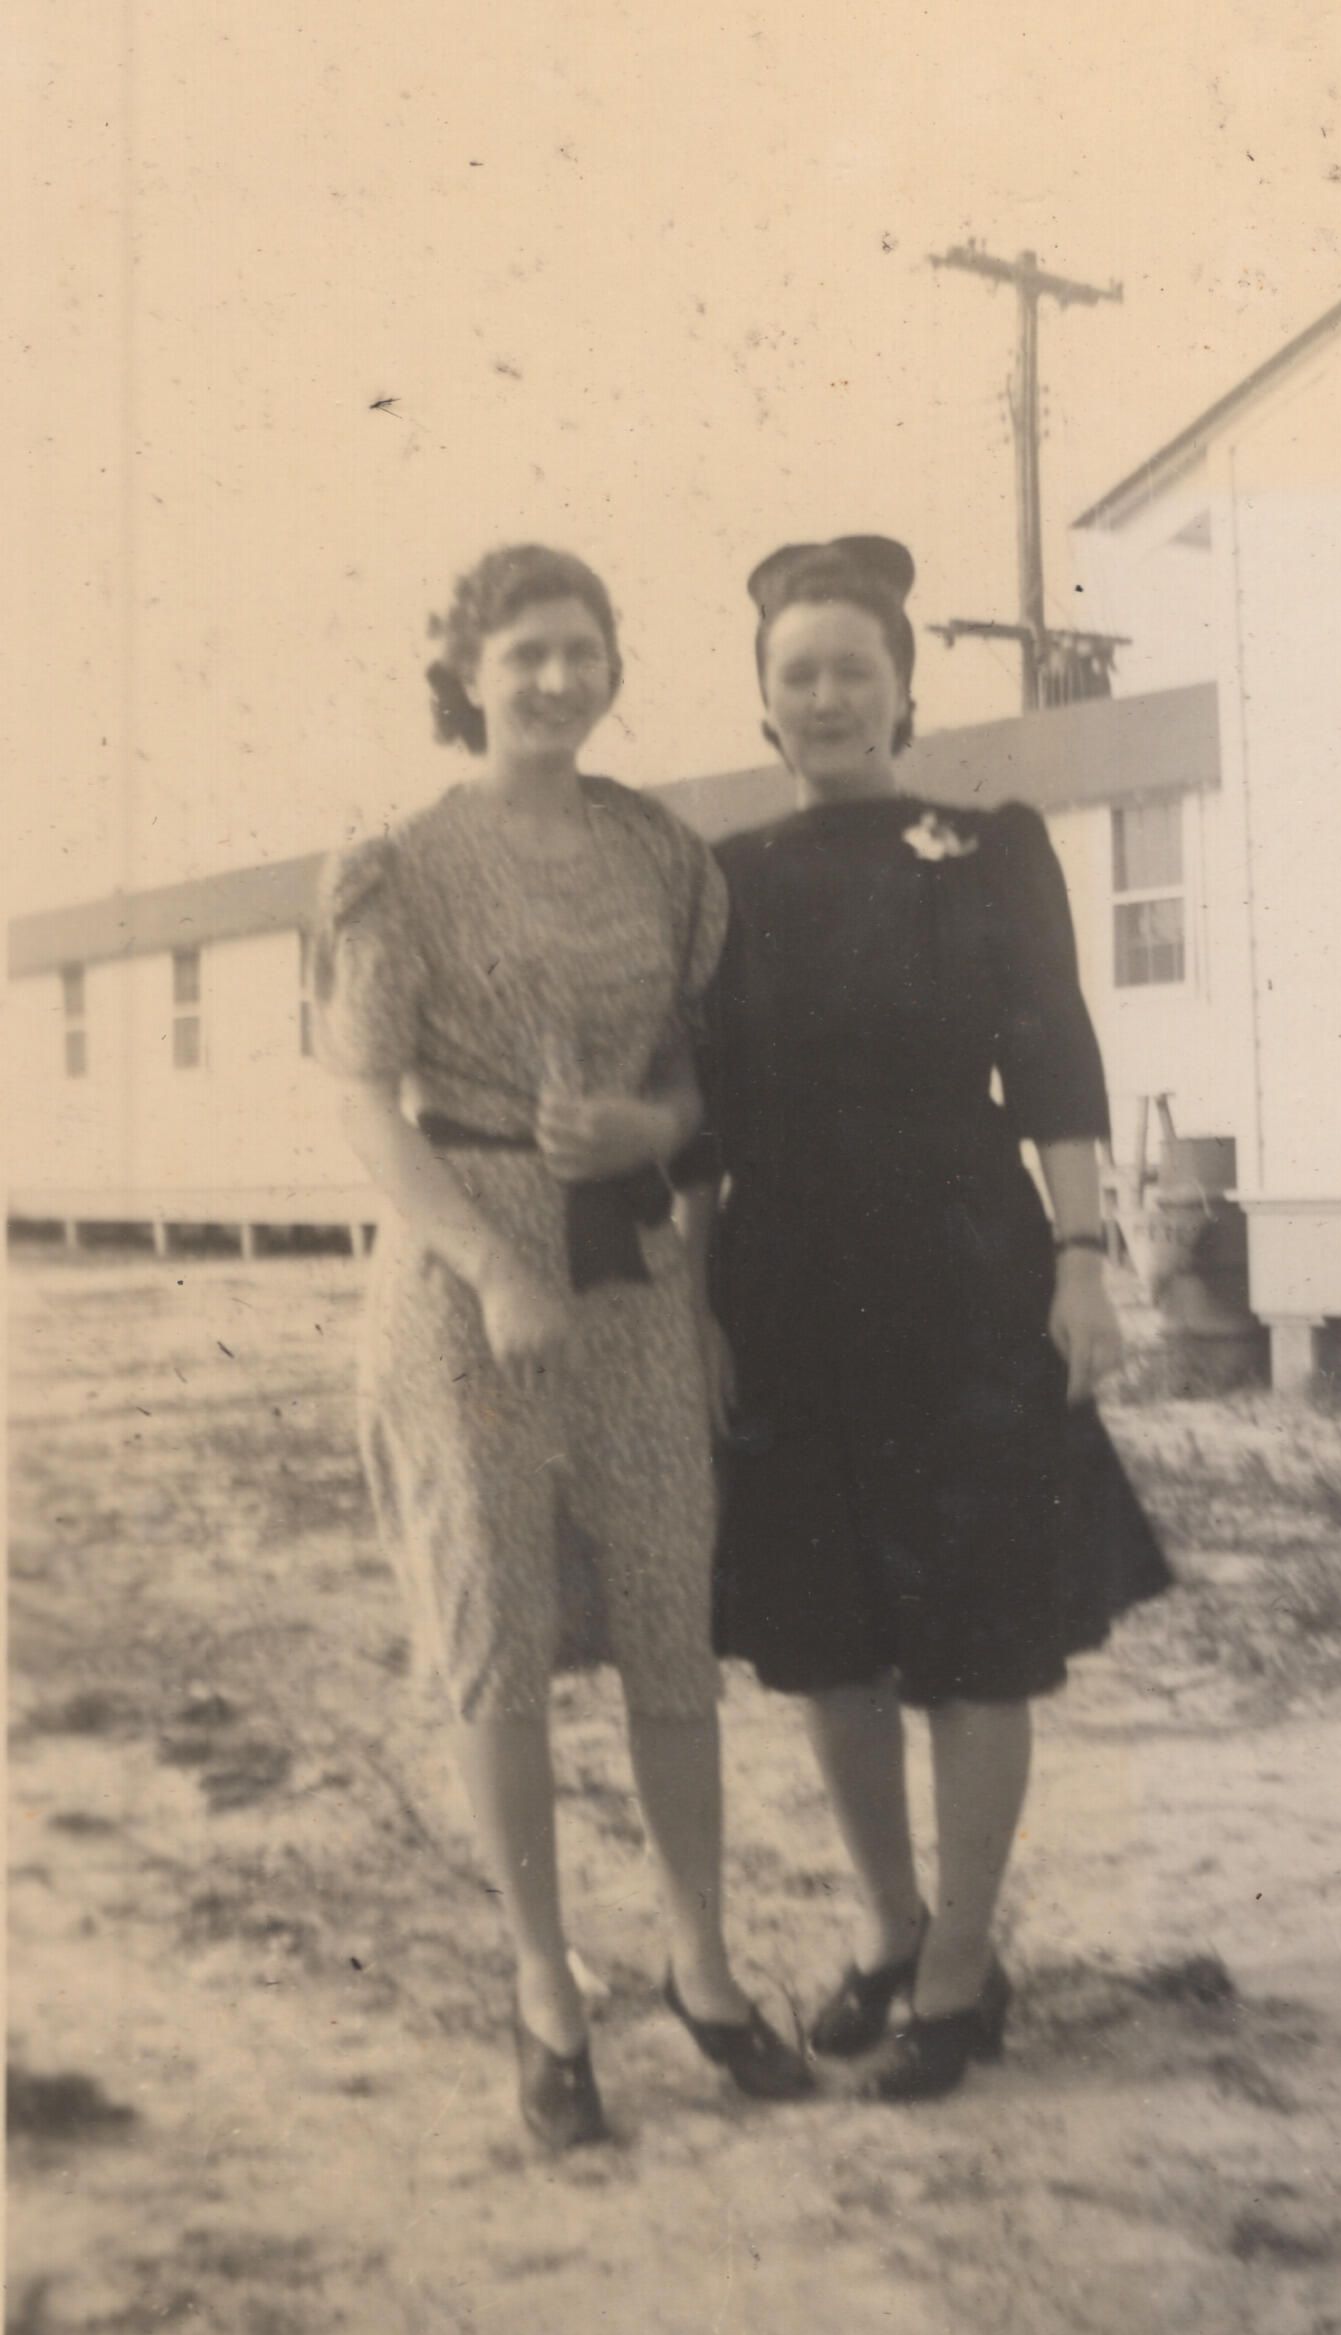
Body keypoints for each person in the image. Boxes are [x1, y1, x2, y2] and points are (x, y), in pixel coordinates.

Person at [312, 544, 812, 2156]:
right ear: (465, 674)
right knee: (498, 1628)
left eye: (580, 650)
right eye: (523, 651)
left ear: (612, 670)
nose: (553, 678)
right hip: (469, 1286)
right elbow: (363, 1106)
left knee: (669, 1616)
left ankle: (703, 1966)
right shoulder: (399, 867)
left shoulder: (659, 852)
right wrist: (487, 1265)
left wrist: (648, 1130)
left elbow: (695, 1074)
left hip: (634, 1271)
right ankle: (545, 1990)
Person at [682, 535, 1171, 2103]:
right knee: (827, 1643)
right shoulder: (725, 879)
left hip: (966, 1276)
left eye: (855, 670)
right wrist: (698, 1301)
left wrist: (1082, 1257)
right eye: (799, 675)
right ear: (766, 704)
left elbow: (1057, 1061)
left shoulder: (988, 848)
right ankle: (890, 1925)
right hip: (785, 1288)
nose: (828, 697)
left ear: (903, 691)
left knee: (974, 1638)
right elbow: (704, 1120)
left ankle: (962, 1967)